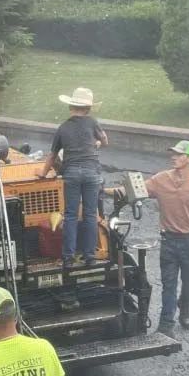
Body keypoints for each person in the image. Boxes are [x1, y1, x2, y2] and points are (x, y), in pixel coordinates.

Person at [113, 140, 189, 336]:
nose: (173, 157)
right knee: (168, 284)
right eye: (173, 153)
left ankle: (185, 305)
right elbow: (133, 190)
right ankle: (166, 326)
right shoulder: (161, 179)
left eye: (179, 154)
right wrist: (101, 189)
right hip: (169, 240)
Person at [36, 87, 108, 268]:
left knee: (70, 215)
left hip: (72, 173)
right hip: (92, 172)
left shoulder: (63, 127)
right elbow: (105, 141)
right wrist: (96, 144)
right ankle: (90, 256)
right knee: (91, 214)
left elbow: (52, 155)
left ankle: (68, 258)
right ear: (88, 108)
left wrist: (43, 174)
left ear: (71, 106)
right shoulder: (92, 122)